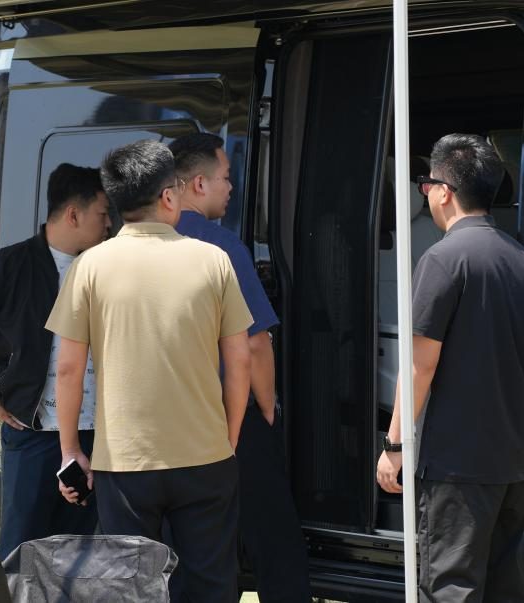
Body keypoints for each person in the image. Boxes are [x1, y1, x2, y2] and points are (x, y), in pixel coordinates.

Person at [48, 139, 253, 602]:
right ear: (168, 196)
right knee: (211, 584)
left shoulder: (89, 266)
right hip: (205, 454)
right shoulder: (213, 260)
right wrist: (229, 437)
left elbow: (68, 369)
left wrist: (69, 450)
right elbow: (240, 359)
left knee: (130, 587)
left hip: (124, 461)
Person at [375, 134, 524, 601]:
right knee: (502, 586)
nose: (425, 192)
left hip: (456, 465)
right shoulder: (521, 259)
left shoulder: (443, 259)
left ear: (444, 191)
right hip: (510, 460)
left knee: (451, 588)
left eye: (426, 183)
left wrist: (394, 445)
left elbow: (419, 366)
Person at [0, 163, 110, 560]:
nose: (109, 223)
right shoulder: (10, 266)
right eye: (102, 213)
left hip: (97, 434)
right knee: (22, 552)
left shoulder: (105, 267)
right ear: (73, 214)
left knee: (82, 555)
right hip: (32, 432)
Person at [169, 132, 310, 602]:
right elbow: (255, 343)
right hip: (229, 417)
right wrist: (267, 409)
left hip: (164, 426)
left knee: (190, 551)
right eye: (226, 178)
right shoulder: (222, 246)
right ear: (198, 184)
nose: (232, 188)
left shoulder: (135, 245)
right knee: (275, 539)